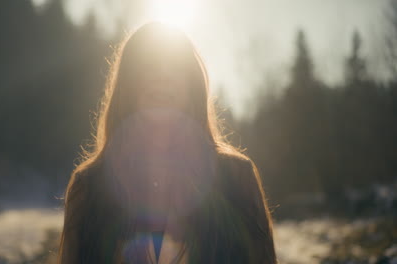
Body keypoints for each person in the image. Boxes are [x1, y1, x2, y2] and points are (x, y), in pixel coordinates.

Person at [58, 21, 277, 264]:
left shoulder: (237, 177)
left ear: (191, 83)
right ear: (128, 83)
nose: (162, 75)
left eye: (173, 65)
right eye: (148, 64)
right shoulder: (88, 186)